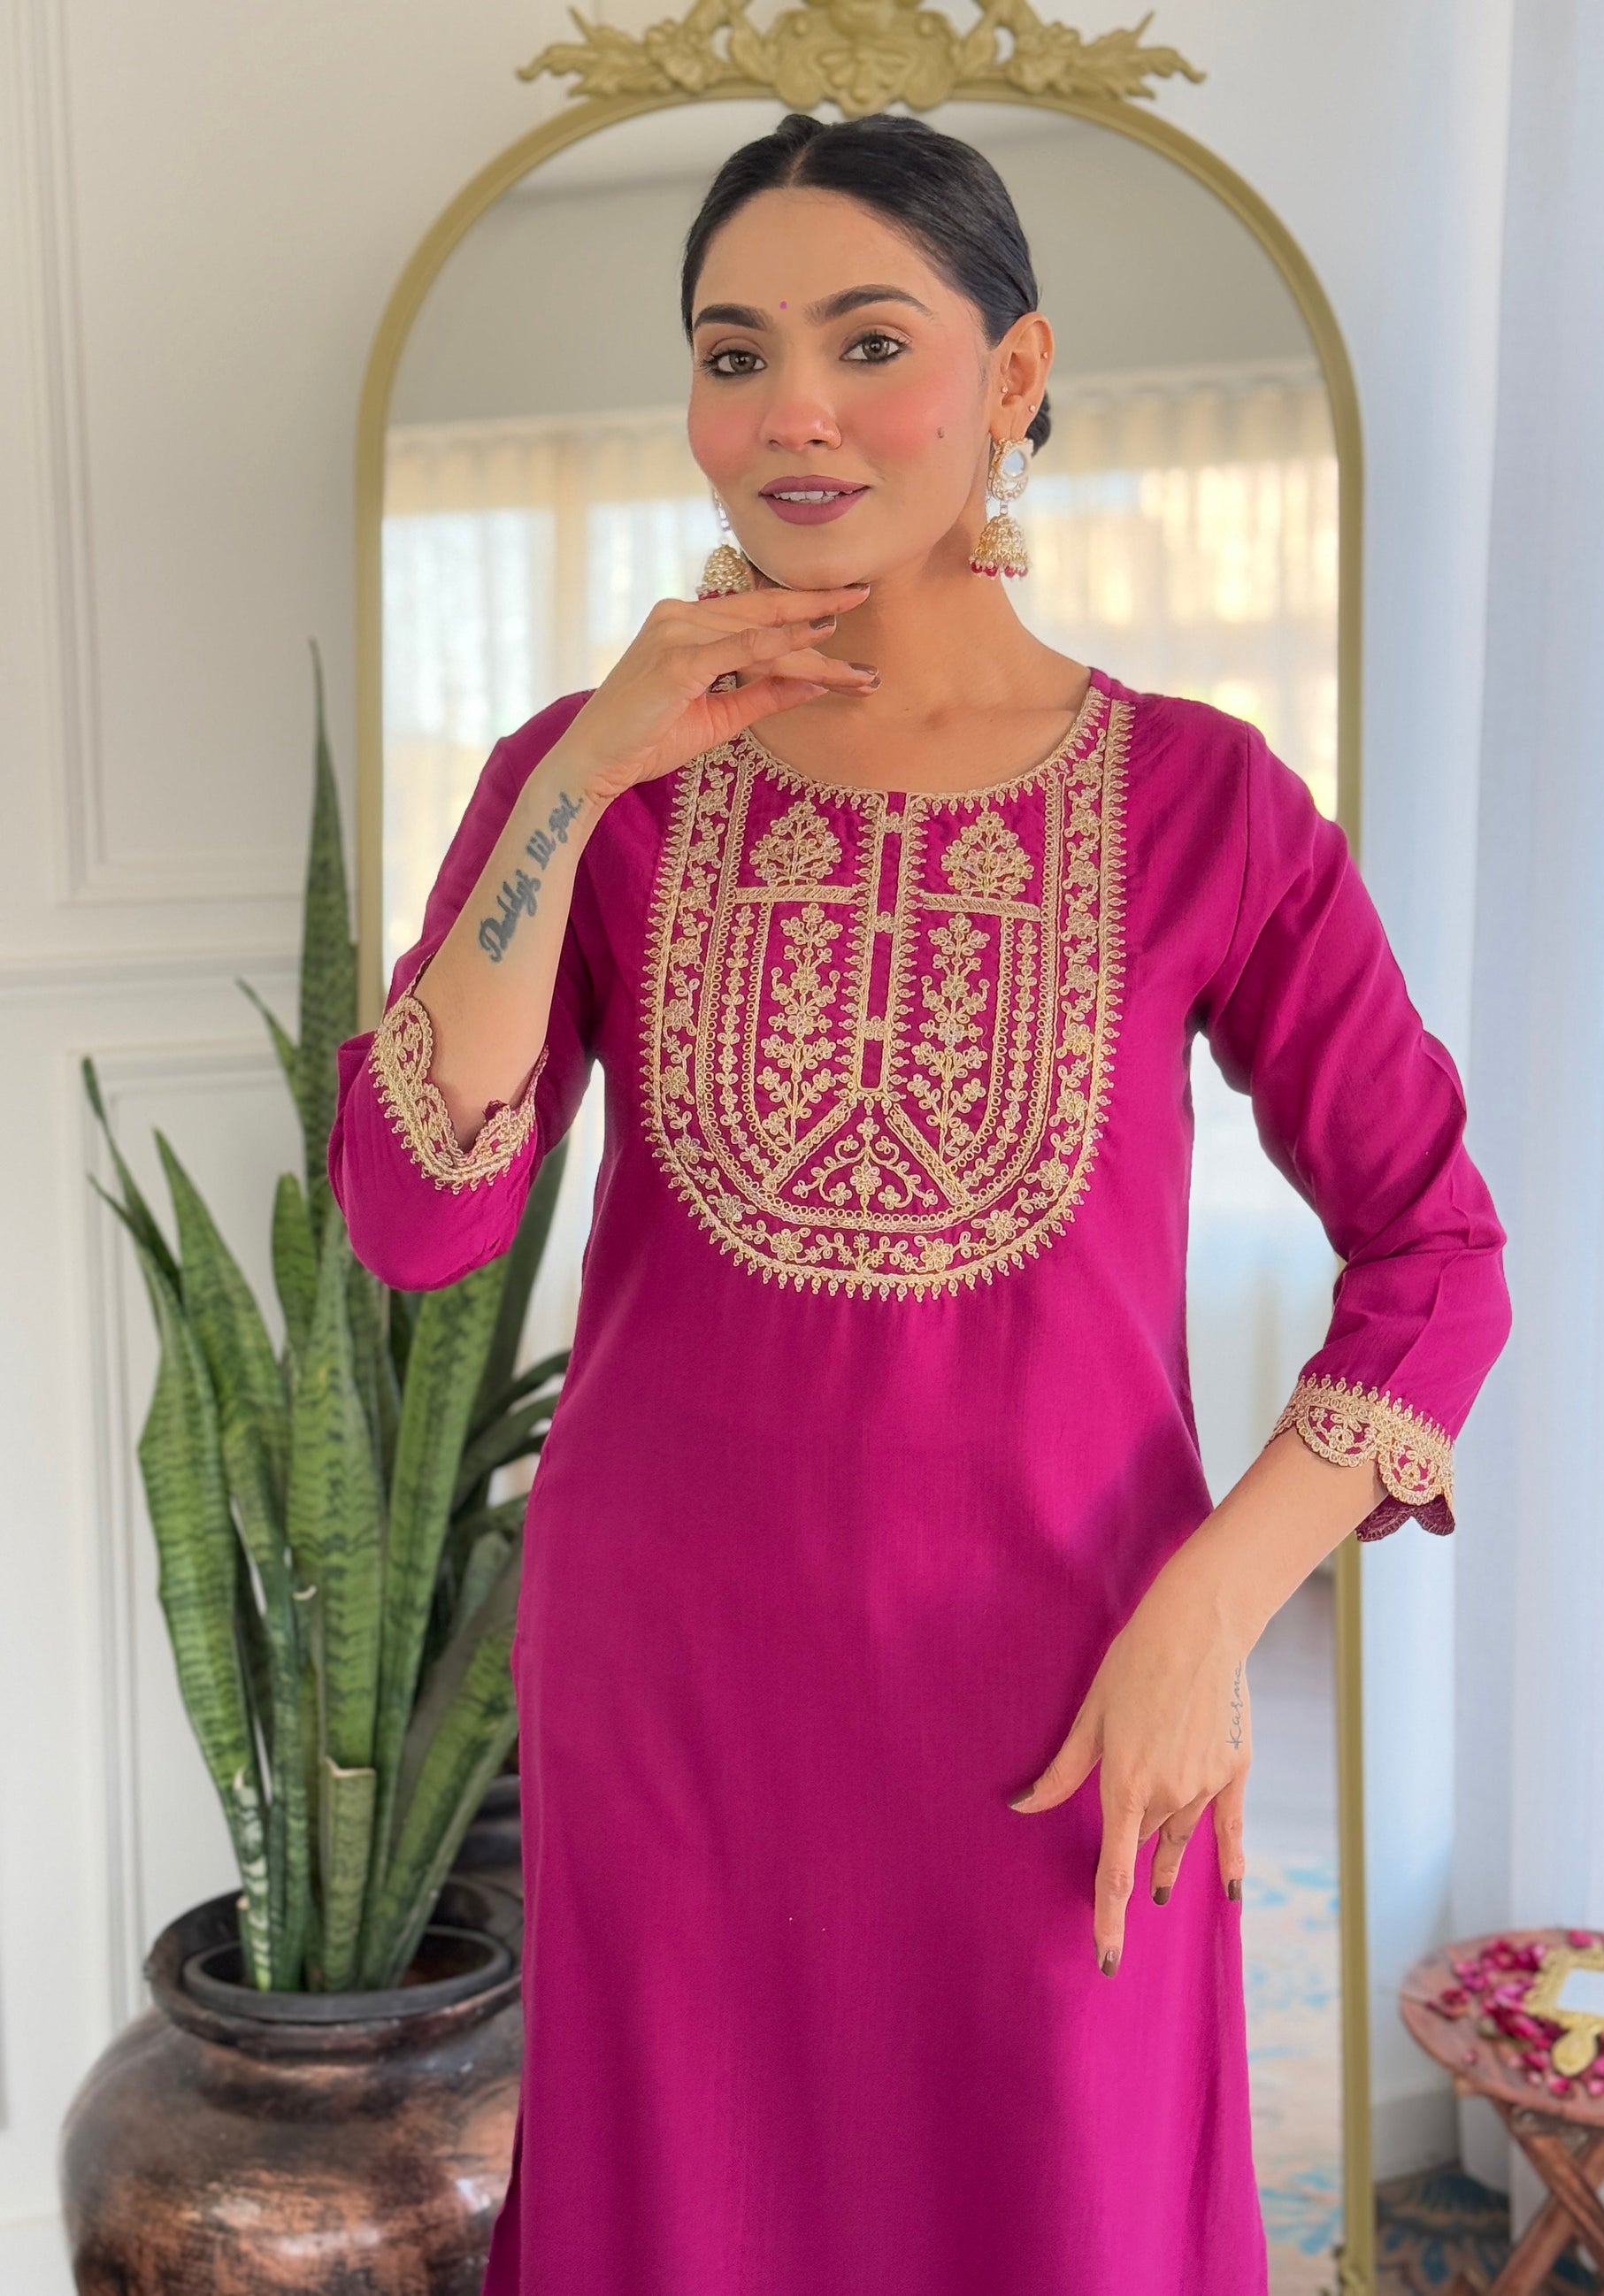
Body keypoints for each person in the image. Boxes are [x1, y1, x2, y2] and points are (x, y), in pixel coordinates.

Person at [328, 110, 1510, 2296]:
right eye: (733, 353)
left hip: (1073, 1687)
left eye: (869, 342)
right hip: (676, 1695)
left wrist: (1211, 1610)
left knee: (1060, 2202)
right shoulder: (591, 785)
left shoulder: (1203, 801)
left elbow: (1436, 1255)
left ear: (1015, 371)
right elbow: (414, 1220)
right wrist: (579, 779)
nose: (793, 409)